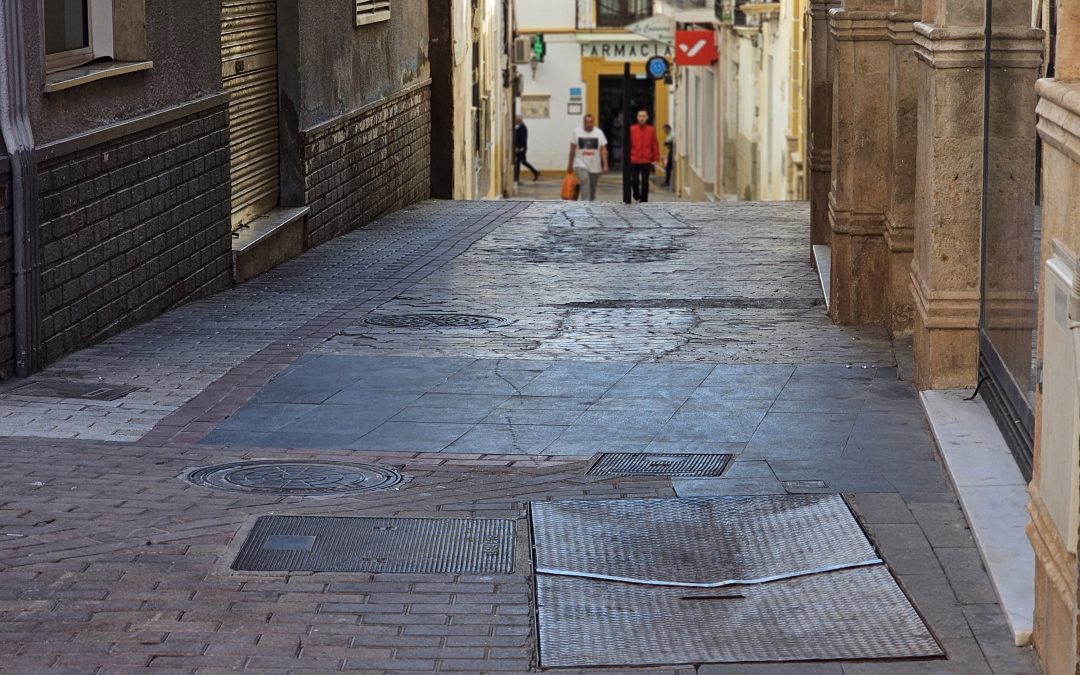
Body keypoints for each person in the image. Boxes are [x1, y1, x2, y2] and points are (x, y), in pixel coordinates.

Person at [567, 114, 609, 201]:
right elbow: (572, 148)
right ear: (583, 122)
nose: (588, 124)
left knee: (592, 189)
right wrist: (570, 164)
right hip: (580, 163)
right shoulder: (576, 132)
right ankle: (585, 204)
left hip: (595, 165)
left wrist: (605, 165)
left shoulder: (599, 133)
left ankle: (591, 204)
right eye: (586, 122)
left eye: (590, 122)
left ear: (593, 122)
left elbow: (603, 150)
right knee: (585, 181)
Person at [629, 110, 660, 203]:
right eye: (640, 116)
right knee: (634, 180)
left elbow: (654, 144)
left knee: (645, 181)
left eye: (643, 116)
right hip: (634, 159)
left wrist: (656, 157)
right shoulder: (632, 129)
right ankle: (636, 193)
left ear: (647, 117)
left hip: (646, 159)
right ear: (637, 117)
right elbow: (628, 144)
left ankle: (644, 199)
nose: (641, 118)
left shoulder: (651, 130)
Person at [514, 115, 540, 183]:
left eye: (516, 120)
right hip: (519, 148)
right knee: (522, 162)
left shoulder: (523, 128)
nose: (515, 121)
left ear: (520, 120)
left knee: (520, 162)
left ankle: (517, 179)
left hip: (521, 149)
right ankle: (535, 172)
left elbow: (523, 139)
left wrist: (518, 147)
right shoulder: (518, 127)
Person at [662, 123, 675, 189]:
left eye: (664, 130)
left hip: (672, 153)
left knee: (668, 167)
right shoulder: (669, 135)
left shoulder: (672, 134)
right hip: (670, 152)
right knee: (668, 168)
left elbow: (667, 142)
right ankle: (667, 181)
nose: (664, 132)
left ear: (667, 128)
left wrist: (666, 143)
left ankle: (667, 182)